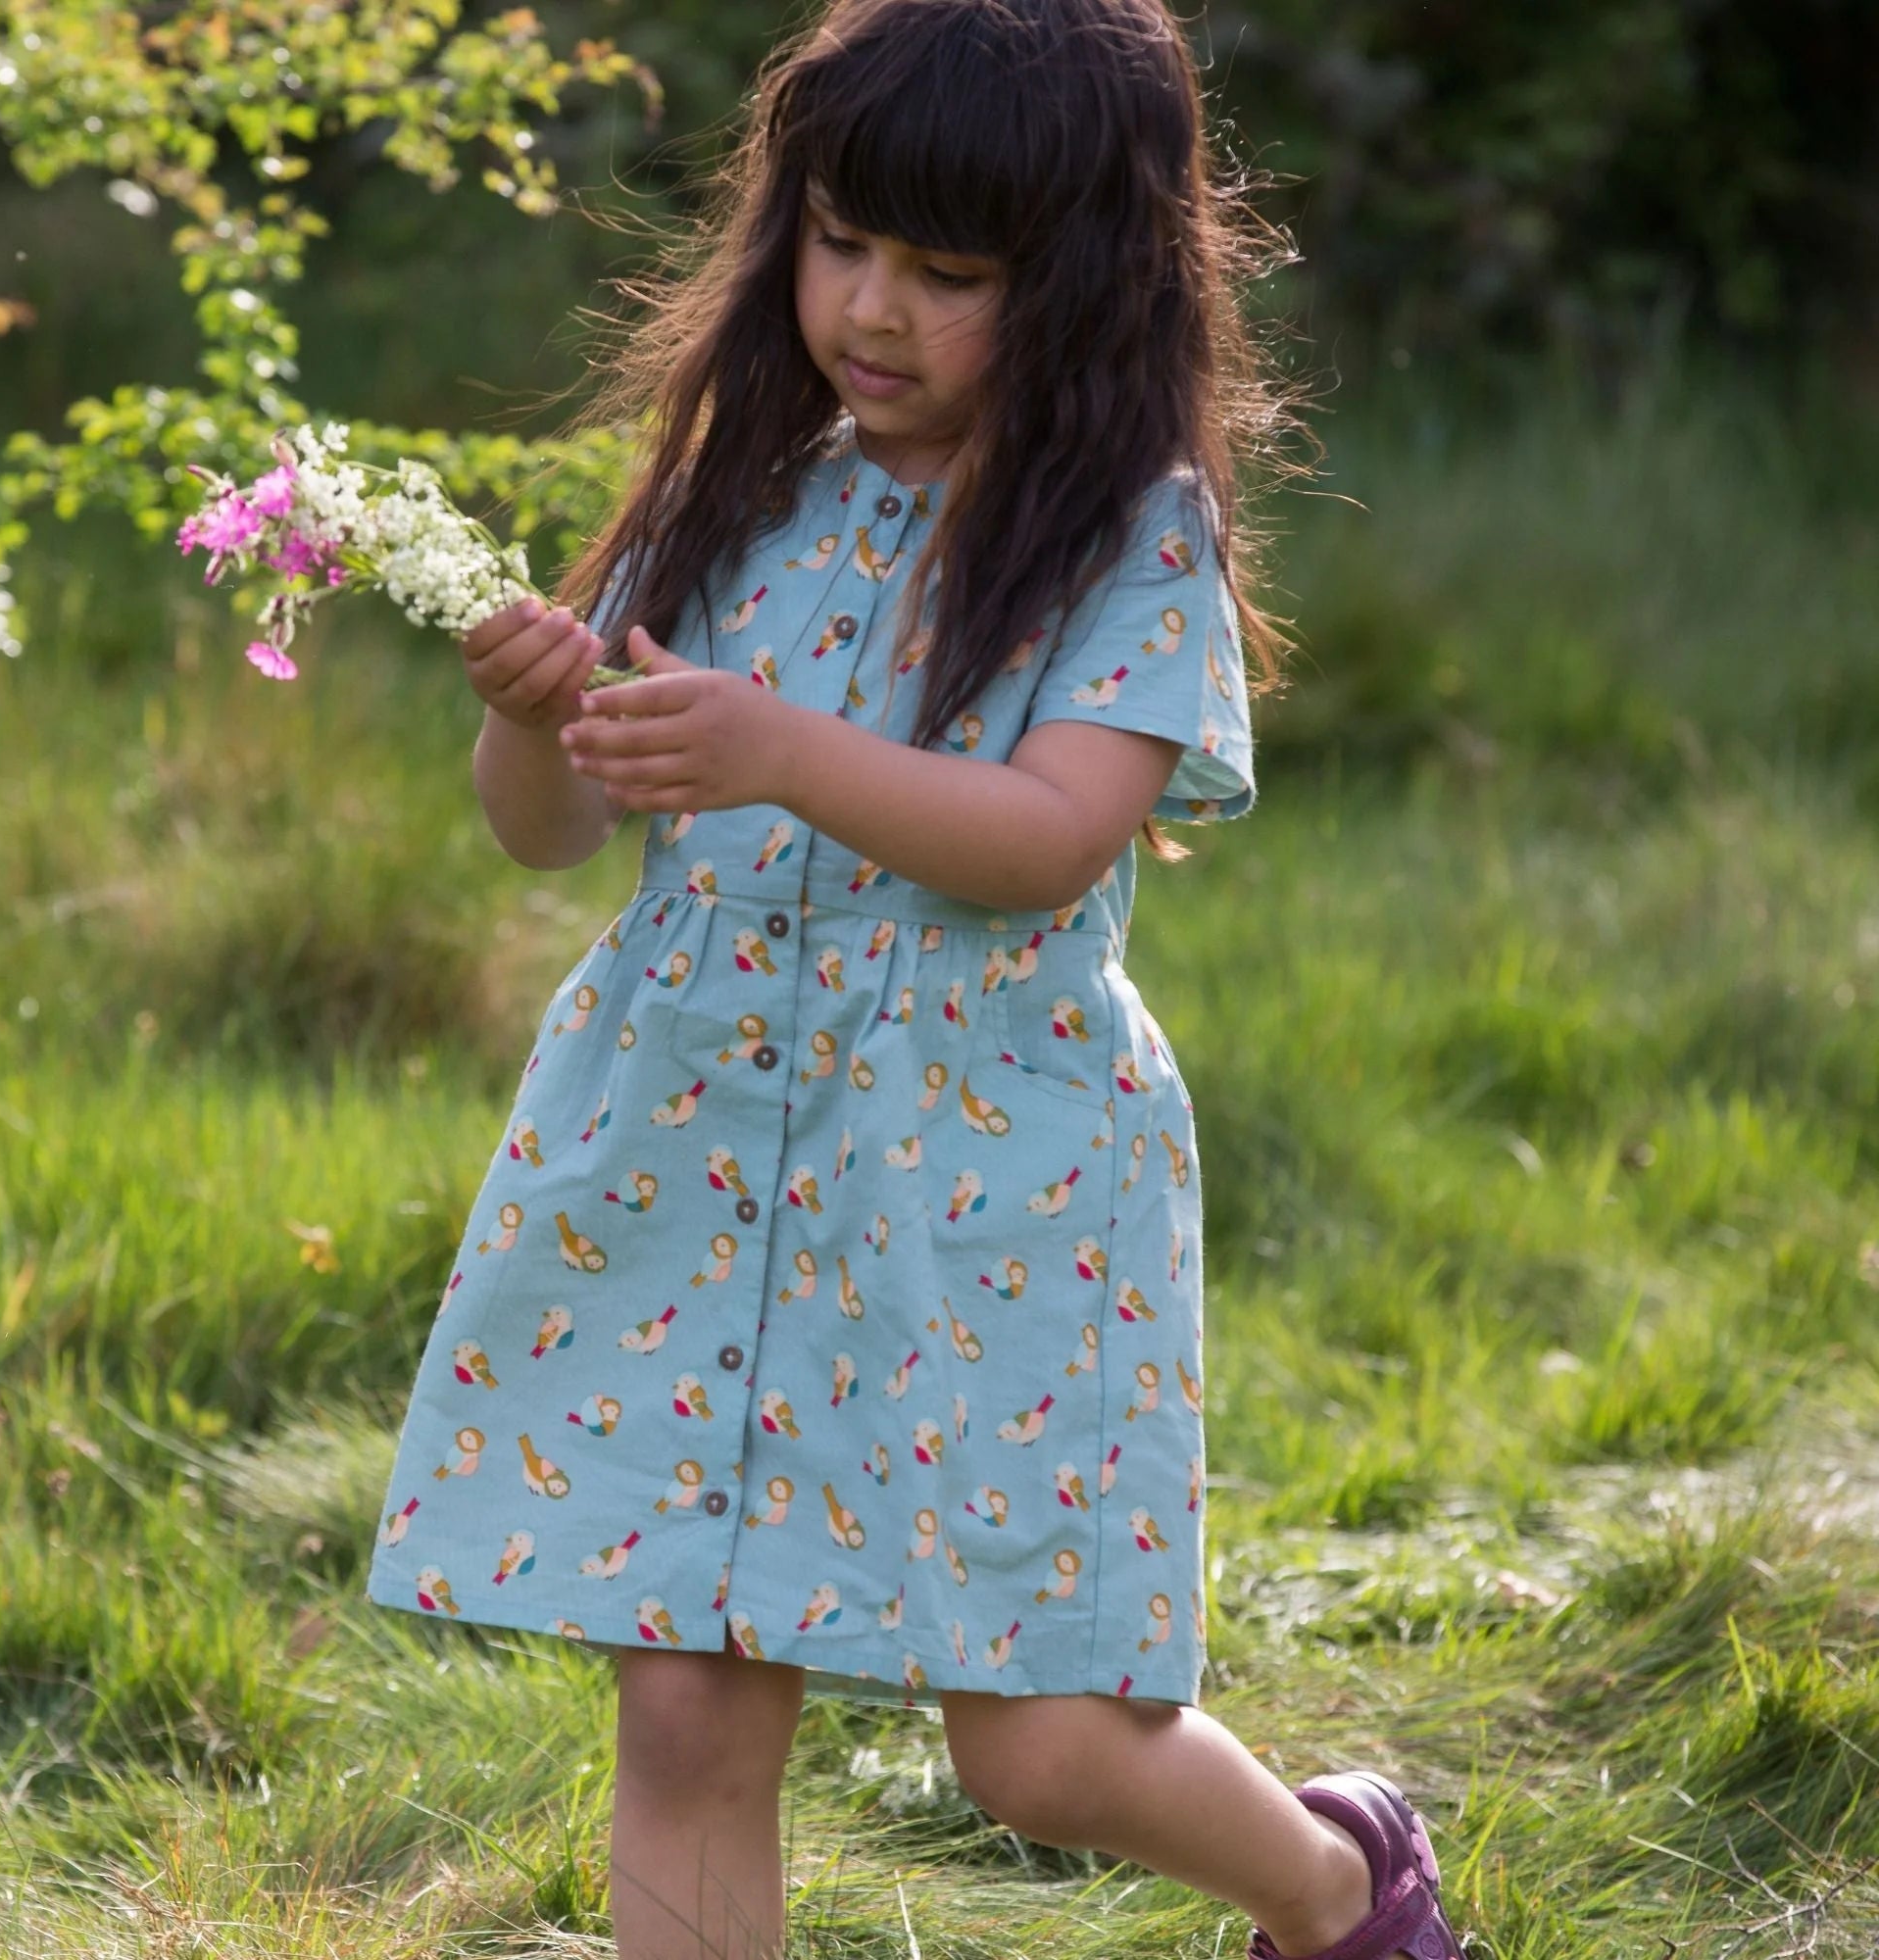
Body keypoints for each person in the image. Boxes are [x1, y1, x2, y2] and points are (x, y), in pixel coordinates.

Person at [365, 3, 1466, 1957]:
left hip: (985, 1195)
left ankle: (1333, 1882)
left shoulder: (1128, 534)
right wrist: (532, 722)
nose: (871, 308)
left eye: (946, 274)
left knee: (1034, 1749)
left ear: (1093, 287)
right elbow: (547, 831)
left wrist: (783, 750)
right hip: (690, 1158)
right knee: (687, 1694)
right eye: (840, 241)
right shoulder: (731, 481)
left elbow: (1050, 834)